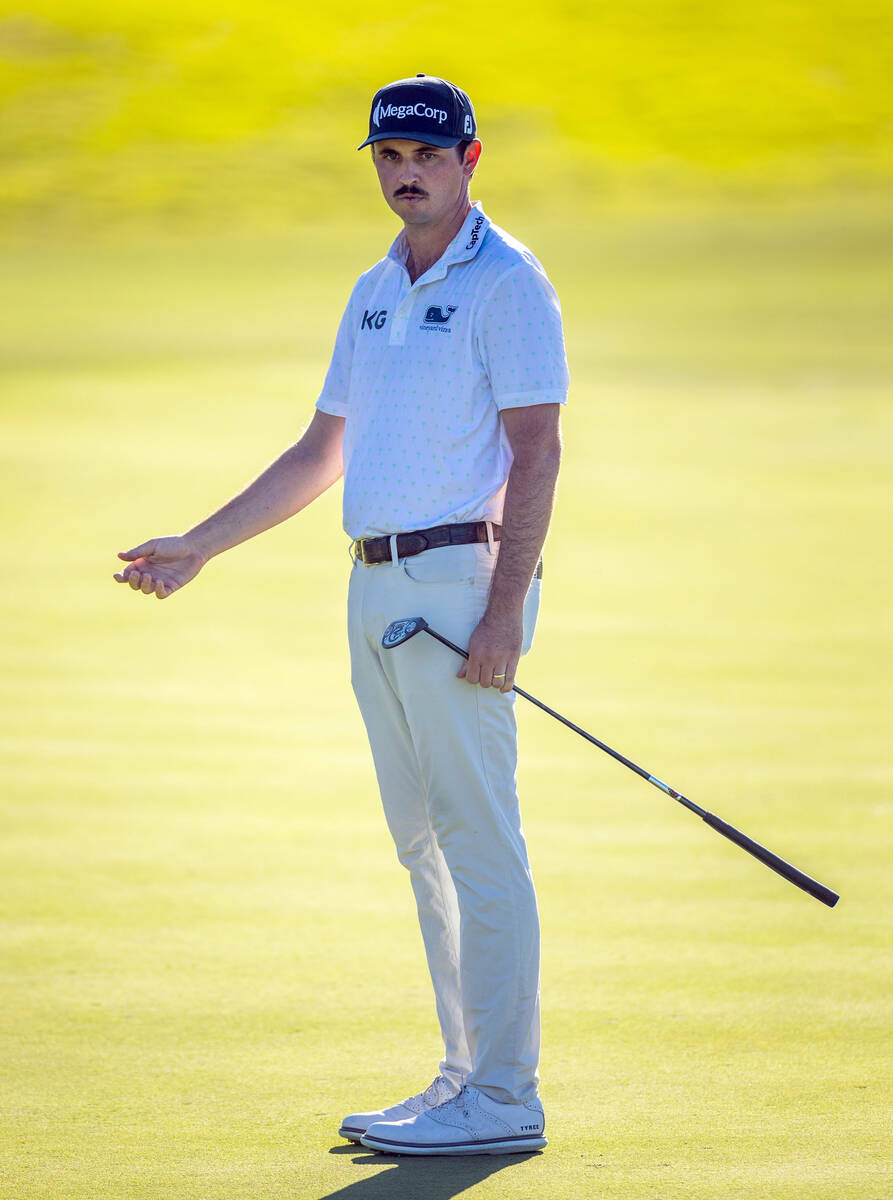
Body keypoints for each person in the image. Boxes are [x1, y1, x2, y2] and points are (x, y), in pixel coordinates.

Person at [114, 73, 569, 1156]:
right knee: (421, 846)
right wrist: (201, 546)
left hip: (461, 588)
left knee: (479, 847)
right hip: (372, 586)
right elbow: (323, 449)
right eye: (386, 158)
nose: (403, 174)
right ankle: (462, 1077)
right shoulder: (374, 287)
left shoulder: (506, 280)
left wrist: (504, 616)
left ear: (467, 161)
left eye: (424, 156)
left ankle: (505, 1099)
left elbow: (535, 449)